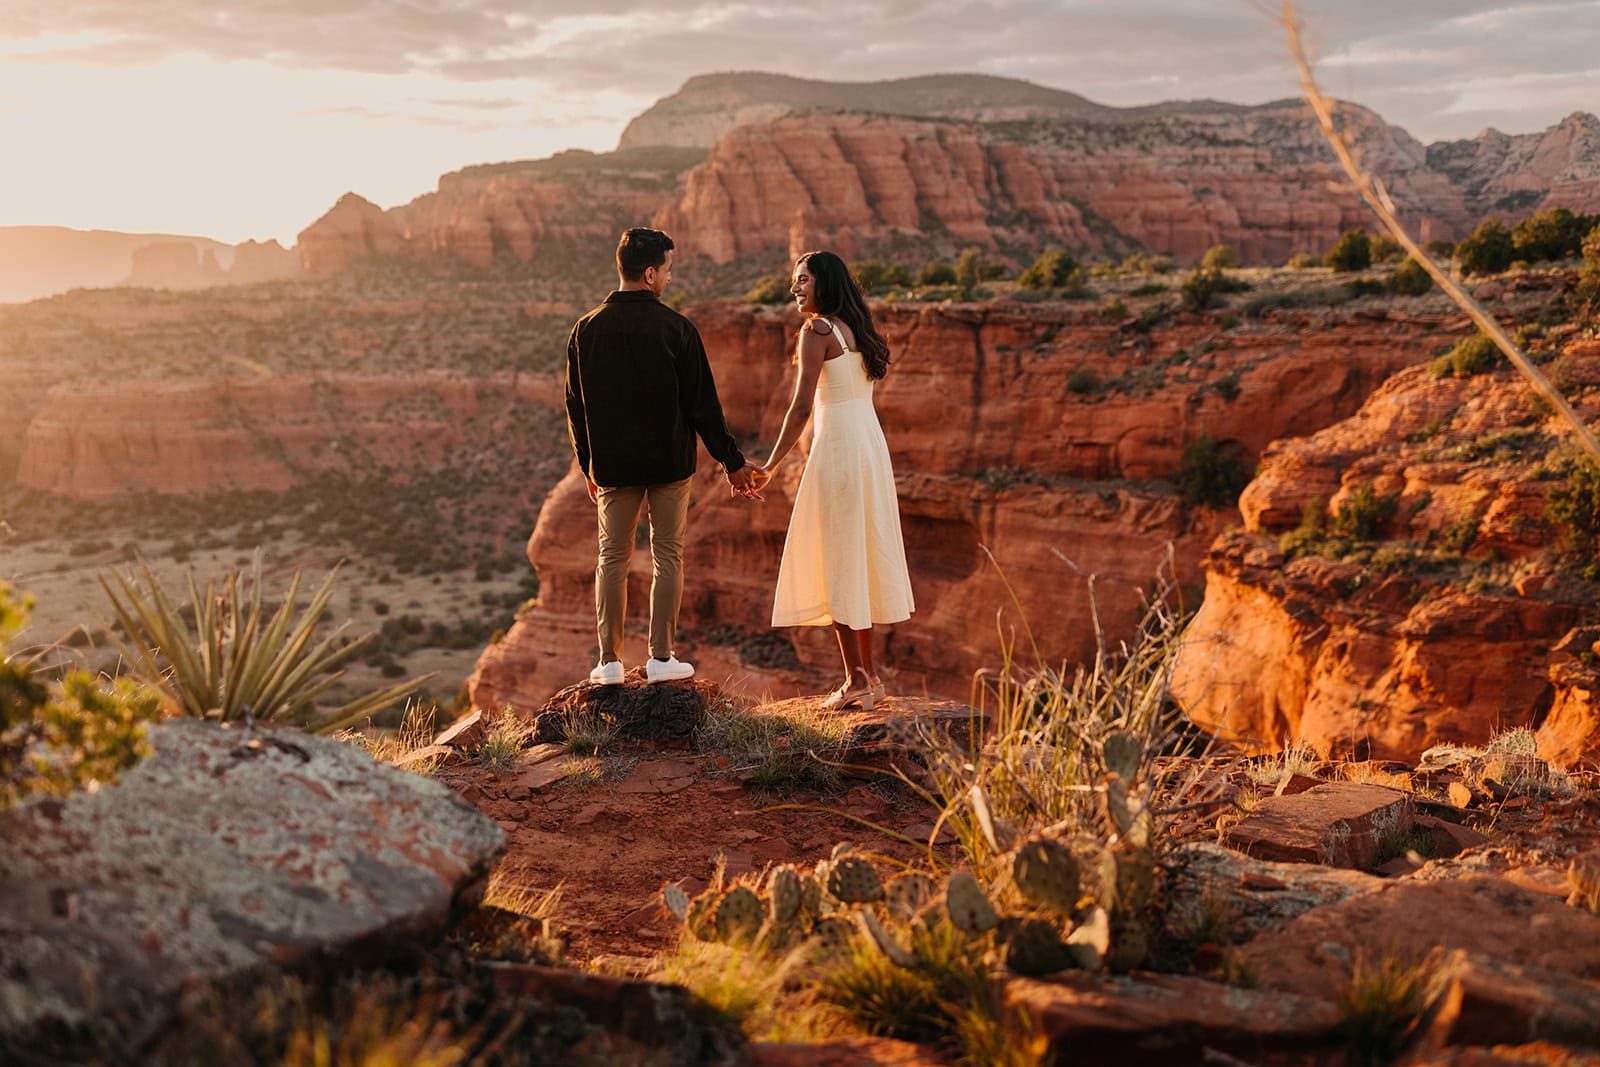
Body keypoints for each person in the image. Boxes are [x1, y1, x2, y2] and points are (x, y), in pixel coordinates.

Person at [565, 227, 763, 686]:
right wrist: (732, 464)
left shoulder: (585, 329)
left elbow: (575, 406)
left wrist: (587, 465)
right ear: (651, 272)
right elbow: (704, 407)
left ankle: (609, 663)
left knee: (611, 558)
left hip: (613, 465)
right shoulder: (677, 328)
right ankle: (661, 658)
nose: (670, 278)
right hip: (669, 462)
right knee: (667, 555)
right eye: (668, 269)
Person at [753, 250, 914, 710]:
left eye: (802, 280)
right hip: (867, 447)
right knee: (857, 555)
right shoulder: (856, 329)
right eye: (793, 281)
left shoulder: (816, 331)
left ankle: (858, 681)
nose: (795, 288)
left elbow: (801, 406)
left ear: (824, 281)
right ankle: (867, 677)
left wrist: (770, 465)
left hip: (841, 451)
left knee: (839, 557)